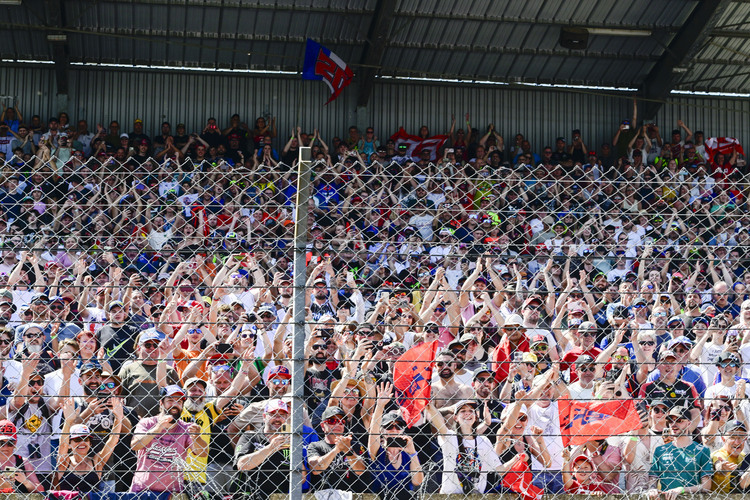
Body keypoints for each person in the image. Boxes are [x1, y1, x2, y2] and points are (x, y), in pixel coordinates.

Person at [129, 385, 208, 493]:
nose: (175, 405)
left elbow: (202, 453)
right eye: (170, 401)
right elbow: (135, 445)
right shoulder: (147, 423)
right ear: (161, 403)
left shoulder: (186, 428)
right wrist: (158, 428)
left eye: (179, 402)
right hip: (141, 490)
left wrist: (197, 438)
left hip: (172, 493)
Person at [54, 397, 123, 494]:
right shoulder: (65, 463)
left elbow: (112, 441)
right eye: (77, 439)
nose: (82, 443)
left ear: (90, 444)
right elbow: (62, 445)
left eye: (85, 439)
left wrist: (118, 419)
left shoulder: (96, 462)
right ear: (70, 444)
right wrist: (68, 421)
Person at [367, 382, 423, 500]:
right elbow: (373, 433)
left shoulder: (407, 454)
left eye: (398, 427)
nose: (394, 430)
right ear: (382, 431)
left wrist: (412, 452)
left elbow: (417, 481)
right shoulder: (378, 451)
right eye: (389, 426)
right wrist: (380, 406)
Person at [647, 406, 712, 499]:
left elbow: (706, 486)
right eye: (670, 421)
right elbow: (653, 479)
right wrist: (652, 489)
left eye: (679, 421)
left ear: (689, 423)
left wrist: (682, 490)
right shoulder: (660, 450)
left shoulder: (702, 450)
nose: (673, 424)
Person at [306, 406, 369, 494]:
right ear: (322, 426)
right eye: (332, 421)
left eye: (341, 422)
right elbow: (315, 468)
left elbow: (360, 470)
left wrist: (348, 450)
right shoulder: (315, 445)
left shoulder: (355, 445)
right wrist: (336, 450)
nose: (337, 424)